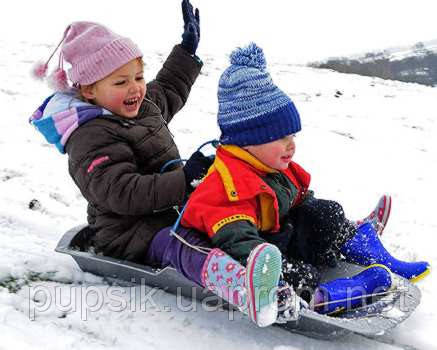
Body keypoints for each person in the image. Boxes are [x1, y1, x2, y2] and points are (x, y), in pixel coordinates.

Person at [29, 2, 284, 328]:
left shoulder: (141, 106)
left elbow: (169, 87)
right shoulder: (88, 137)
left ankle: (261, 262)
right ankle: (243, 289)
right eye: (121, 82)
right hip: (130, 232)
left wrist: (186, 51)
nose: (135, 87)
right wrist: (183, 180)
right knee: (184, 247)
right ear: (89, 89)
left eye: (138, 76)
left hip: (172, 211)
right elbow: (120, 191)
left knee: (225, 214)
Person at [181, 42, 431, 318]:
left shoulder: (271, 165)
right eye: (282, 138)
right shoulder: (225, 187)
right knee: (294, 272)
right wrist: (277, 267)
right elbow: (240, 244)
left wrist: (326, 228)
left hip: (277, 234)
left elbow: (301, 201)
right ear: (247, 140)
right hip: (253, 252)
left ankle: (367, 250)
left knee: (325, 212)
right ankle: (318, 299)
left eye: (293, 137)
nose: (291, 145)